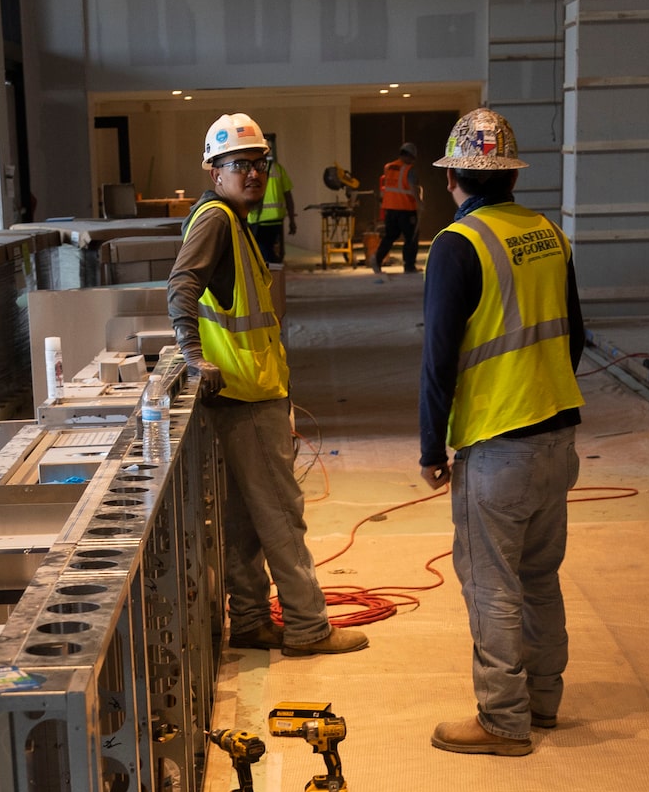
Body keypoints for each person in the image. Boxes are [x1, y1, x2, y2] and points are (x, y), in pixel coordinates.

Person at [416, 109, 584, 757]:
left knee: (491, 581)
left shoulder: (458, 245)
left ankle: (503, 719)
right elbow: (575, 337)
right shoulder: (549, 233)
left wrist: (433, 448)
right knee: (540, 575)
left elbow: (438, 359)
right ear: (511, 172)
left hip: (497, 443)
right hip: (557, 435)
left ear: (454, 175)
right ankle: (544, 700)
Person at [169, 113, 368, 657]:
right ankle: (308, 625)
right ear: (214, 171)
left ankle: (253, 619)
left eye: (260, 164)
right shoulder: (215, 220)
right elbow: (180, 286)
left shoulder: (233, 221)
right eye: (240, 166)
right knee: (281, 514)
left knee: (245, 521)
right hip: (245, 397)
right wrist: (192, 356)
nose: (254, 175)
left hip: (245, 394)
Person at [372, 141, 421, 275]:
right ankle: (409, 266)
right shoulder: (408, 170)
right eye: (412, 158)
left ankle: (376, 259)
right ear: (409, 156)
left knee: (390, 236)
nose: (412, 162)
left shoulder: (388, 167)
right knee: (411, 238)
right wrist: (419, 203)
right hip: (406, 209)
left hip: (390, 209)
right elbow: (412, 188)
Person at [250, 134, 295, 267]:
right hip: (275, 219)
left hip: (257, 221)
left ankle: (272, 278)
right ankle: (274, 273)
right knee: (271, 252)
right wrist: (292, 220)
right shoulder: (277, 168)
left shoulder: (250, 169)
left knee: (262, 253)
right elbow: (288, 196)